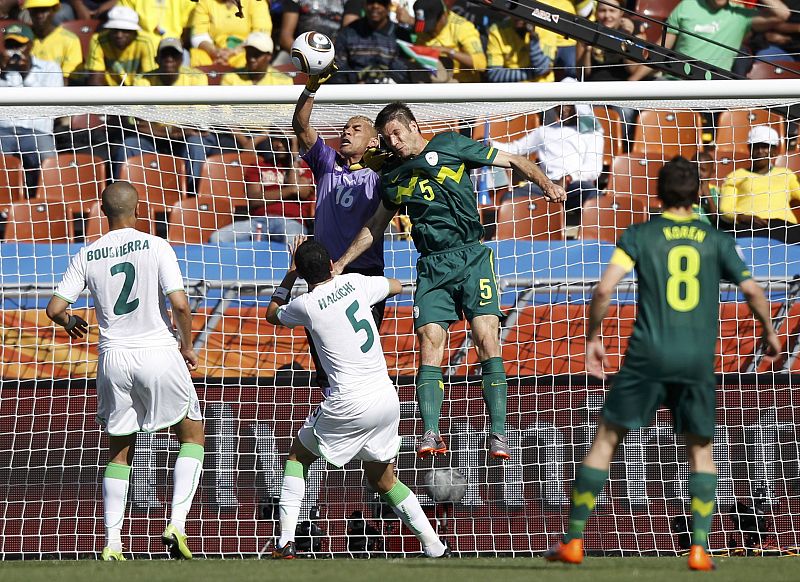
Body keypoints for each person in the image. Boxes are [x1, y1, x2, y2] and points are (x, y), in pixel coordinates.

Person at [544, 156, 780, 571]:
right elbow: (754, 292)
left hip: (647, 355)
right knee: (701, 452)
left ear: (659, 192)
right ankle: (700, 548)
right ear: (697, 195)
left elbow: (602, 291)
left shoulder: (640, 234)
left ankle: (575, 540)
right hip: (696, 359)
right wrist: (770, 332)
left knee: (606, 440)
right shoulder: (717, 240)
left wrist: (594, 339)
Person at [333, 102, 567, 459]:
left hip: (472, 256)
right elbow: (375, 226)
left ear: (414, 126)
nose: (394, 142)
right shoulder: (392, 178)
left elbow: (515, 161)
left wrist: (546, 184)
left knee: (485, 334)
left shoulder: (450, 145)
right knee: (429, 340)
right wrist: (342, 262)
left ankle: (499, 433)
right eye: (387, 137)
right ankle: (430, 432)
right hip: (431, 266)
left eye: (398, 132)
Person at [45, 182, 205, 561]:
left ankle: (113, 543)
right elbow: (180, 305)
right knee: (192, 434)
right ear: (139, 208)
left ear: (102, 210)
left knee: (119, 451)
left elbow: (53, 309)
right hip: (158, 351)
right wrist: (186, 346)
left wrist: (69, 322)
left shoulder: (88, 253)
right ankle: (177, 524)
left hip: (113, 357)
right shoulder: (156, 245)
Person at [266, 238, 450, 559]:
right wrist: (358, 282)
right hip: (385, 398)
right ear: (331, 263)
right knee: (383, 479)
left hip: (348, 401)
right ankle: (435, 546)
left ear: (305, 272)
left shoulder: (306, 305)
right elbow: (394, 286)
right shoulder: (356, 284)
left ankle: (284, 543)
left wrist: (290, 274)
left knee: (297, 459)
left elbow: (271, 314)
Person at [292, 71, 386, 394]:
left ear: (373, 141)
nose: (347, 131)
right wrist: (312, 86)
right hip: (323, 276)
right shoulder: (327, 162)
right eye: (345, 128)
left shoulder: (382, 173)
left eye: (356, 128)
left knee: (356, 365)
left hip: (364, 275)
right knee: (327, 369)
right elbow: (301, 127)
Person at [492, 103, 604, 216]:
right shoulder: (544, 131)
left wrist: (568, 178)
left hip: (575, 185)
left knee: (592, 195)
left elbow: (594, 168)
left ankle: (591, 232)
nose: (563, 109)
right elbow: (515, 149)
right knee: (510, 198)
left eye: (568, 106)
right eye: (559, 106)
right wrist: (490, 144)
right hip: (545, 185)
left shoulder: (592, 134)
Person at [209, 134, 314, 243]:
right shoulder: (258, 166)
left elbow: (298, 188)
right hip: (259, 222)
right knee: (217, 238)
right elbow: (255, 200)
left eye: (284, 140)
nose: (278, 144)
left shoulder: (307, 169)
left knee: (294, 242)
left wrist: (294, 156)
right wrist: (291, 190)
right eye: (275, 140)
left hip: (291, 222)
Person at [0, 23, 62, 189]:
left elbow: (53, 106)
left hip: (37, 132)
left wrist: (26, 74)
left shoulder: (50, 68)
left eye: (20, 45)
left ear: (31, 45)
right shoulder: (1, 68)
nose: (15, 50)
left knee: (47, 156)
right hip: (3, 131)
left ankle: (50, 205)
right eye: (10, 45)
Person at [717, 125, 800, 244]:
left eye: (765, 146)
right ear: (749, 150)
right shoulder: (736, 176)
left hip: (784, 227)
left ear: (774, 151)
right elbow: (725, 210)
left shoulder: (787, 174)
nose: (760, 151)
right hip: (749, 227)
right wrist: (742, 217)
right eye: (755, 147)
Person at [664, 0, 789, 74]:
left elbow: (783, 14)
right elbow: (661, 51)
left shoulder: (739, 14)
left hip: (715, 90)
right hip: (676, 82)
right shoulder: (687, 5)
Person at [332, 0, 414, 84]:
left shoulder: (401, 35)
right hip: (355, 92)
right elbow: (338, 69)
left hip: (392, 92)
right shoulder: (348, 33)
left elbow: (405, 72)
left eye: (381, 2)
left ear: (389, 6)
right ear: (364, 5)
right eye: (371, 2)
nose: (375, 6)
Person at [411, 0, 486, 83]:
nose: (428, 31)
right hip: (431, 79)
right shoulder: (423, 30)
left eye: (431, 26)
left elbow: (481, 64)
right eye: (425, 28)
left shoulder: (463, 28)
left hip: (461, 83)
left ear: (443, 16)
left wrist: (447, 51)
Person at [85, 5, 157, 86]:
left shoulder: (145, 42)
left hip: (138, 93)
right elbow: (95, 80)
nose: (119, 35)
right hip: (109, 92)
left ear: (134, 32)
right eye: (115, 30)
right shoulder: (98, 41)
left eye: (125, 30)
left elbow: (150, 77)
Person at [189, 0, 271, 68]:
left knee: (246, 61)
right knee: (197, 57)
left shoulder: (257, 2)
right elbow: (198, 35)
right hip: (214, 51)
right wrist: (215, 52)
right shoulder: (205, 2)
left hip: (244, 50)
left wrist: (233, 52)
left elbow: (261, 35)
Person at [26, 0, 83, 83]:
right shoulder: (23, 38)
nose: (39, 15)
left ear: (54, 10)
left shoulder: (70, 40)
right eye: (34, 11)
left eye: (44, 10)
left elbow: (67, 79)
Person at [485, 17, 555, 83]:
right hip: (514, 90)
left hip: (542, 88)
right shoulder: (497, 30)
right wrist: (532, 73)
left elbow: (543, 69)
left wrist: (533, 38)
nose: (518, 17)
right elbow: (494, 74)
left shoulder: (545, 28)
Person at [220, 32, 292, 86]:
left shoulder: (283, 82)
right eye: (249, 53)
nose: (251, 58)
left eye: (257, 54)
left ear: (269, 56)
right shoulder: (230, 78)